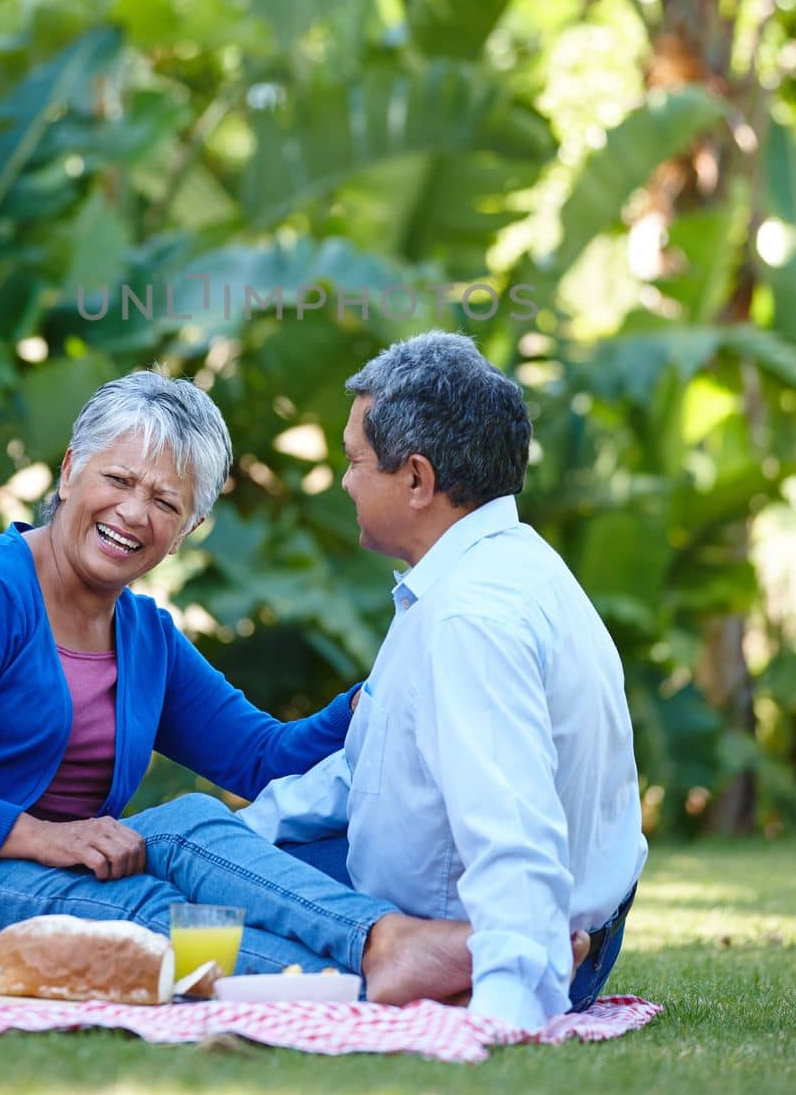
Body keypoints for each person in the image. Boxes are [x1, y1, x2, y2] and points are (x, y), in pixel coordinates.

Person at [0, 370, 471, 1002]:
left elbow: (264, 760)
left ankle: (390, 945)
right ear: (68, 472)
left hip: (29, 881)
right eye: (117, 479)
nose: (134, 512)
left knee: (192, 824)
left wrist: (373, 696)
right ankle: (392, 978)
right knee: (141, 918)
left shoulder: (144, 636)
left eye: (165, 501)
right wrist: (34, 835)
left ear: (186, 532)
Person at [241, 331, 648, 1029]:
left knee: (176, 907)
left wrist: (508, 1001)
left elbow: (511, 825)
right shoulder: (492, 571)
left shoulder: (471, 617)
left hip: (507, 940)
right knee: (208, 850)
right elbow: (372, 770)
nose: (342, 482)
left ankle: (441, 969)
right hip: (522, 921)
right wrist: (247, 831)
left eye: (354, 462)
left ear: (417, 480)